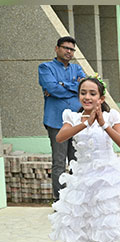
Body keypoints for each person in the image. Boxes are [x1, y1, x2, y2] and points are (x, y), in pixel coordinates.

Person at [49, 76, 120, 242]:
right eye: (83, 93)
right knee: (91, 226)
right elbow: (61, 137)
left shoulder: (111, 116)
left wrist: (103, 124)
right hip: (84, 177)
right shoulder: (71, 115)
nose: (87, 97)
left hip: (108, 177)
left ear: (101, 97)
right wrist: (85, 123)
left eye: (92, 93)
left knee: (108, 225)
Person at [39, 36, 86, 201]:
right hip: (56, 121)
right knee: (59, 162)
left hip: (77, 121)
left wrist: (62, 85)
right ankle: (60, 201)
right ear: (57, 48)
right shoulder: (45, 67)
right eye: (66, 48)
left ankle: (76, 198)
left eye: (72, 49)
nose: (69, 52)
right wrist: (70, 87)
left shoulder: (77, 69)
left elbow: (84, 87)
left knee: (76, 161)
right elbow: (52, 88)